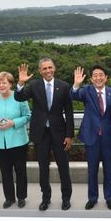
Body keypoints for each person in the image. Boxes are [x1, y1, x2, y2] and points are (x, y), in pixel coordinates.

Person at [15, 58, 74, 211]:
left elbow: (69, 112)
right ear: (40, 71)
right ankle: (45, 198)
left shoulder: (64, 86)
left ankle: (66, 198)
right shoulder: (34, 85)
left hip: (60, 134)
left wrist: (69, 135)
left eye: (50, 67)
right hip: (40, 134)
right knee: (43, 168)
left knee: (63, 167)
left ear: (54, 68)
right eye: (44, 68)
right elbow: (19, 97)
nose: (48, 71)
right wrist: (21, 84)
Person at [71, 65, 111, 210]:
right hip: (91, 138)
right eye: (95, 75)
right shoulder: (86, 91)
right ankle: (92, 198)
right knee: (92, 170)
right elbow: (73, 95)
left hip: (109, 138)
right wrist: (76, 84)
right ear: (91, 78)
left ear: (106, 77)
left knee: (109, 170)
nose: (98, 78)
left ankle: (109, 198)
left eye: (101, 75)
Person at [0, 71, 31, 209]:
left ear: (10, 84)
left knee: (20, 170)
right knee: (5, 172)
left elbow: (27, 115)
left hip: (18, 141)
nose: (1, 85)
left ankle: (21, 197)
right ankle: (9, 198)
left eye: (4, 82)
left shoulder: (19, 97)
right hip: (0, 141)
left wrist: (13, 122)